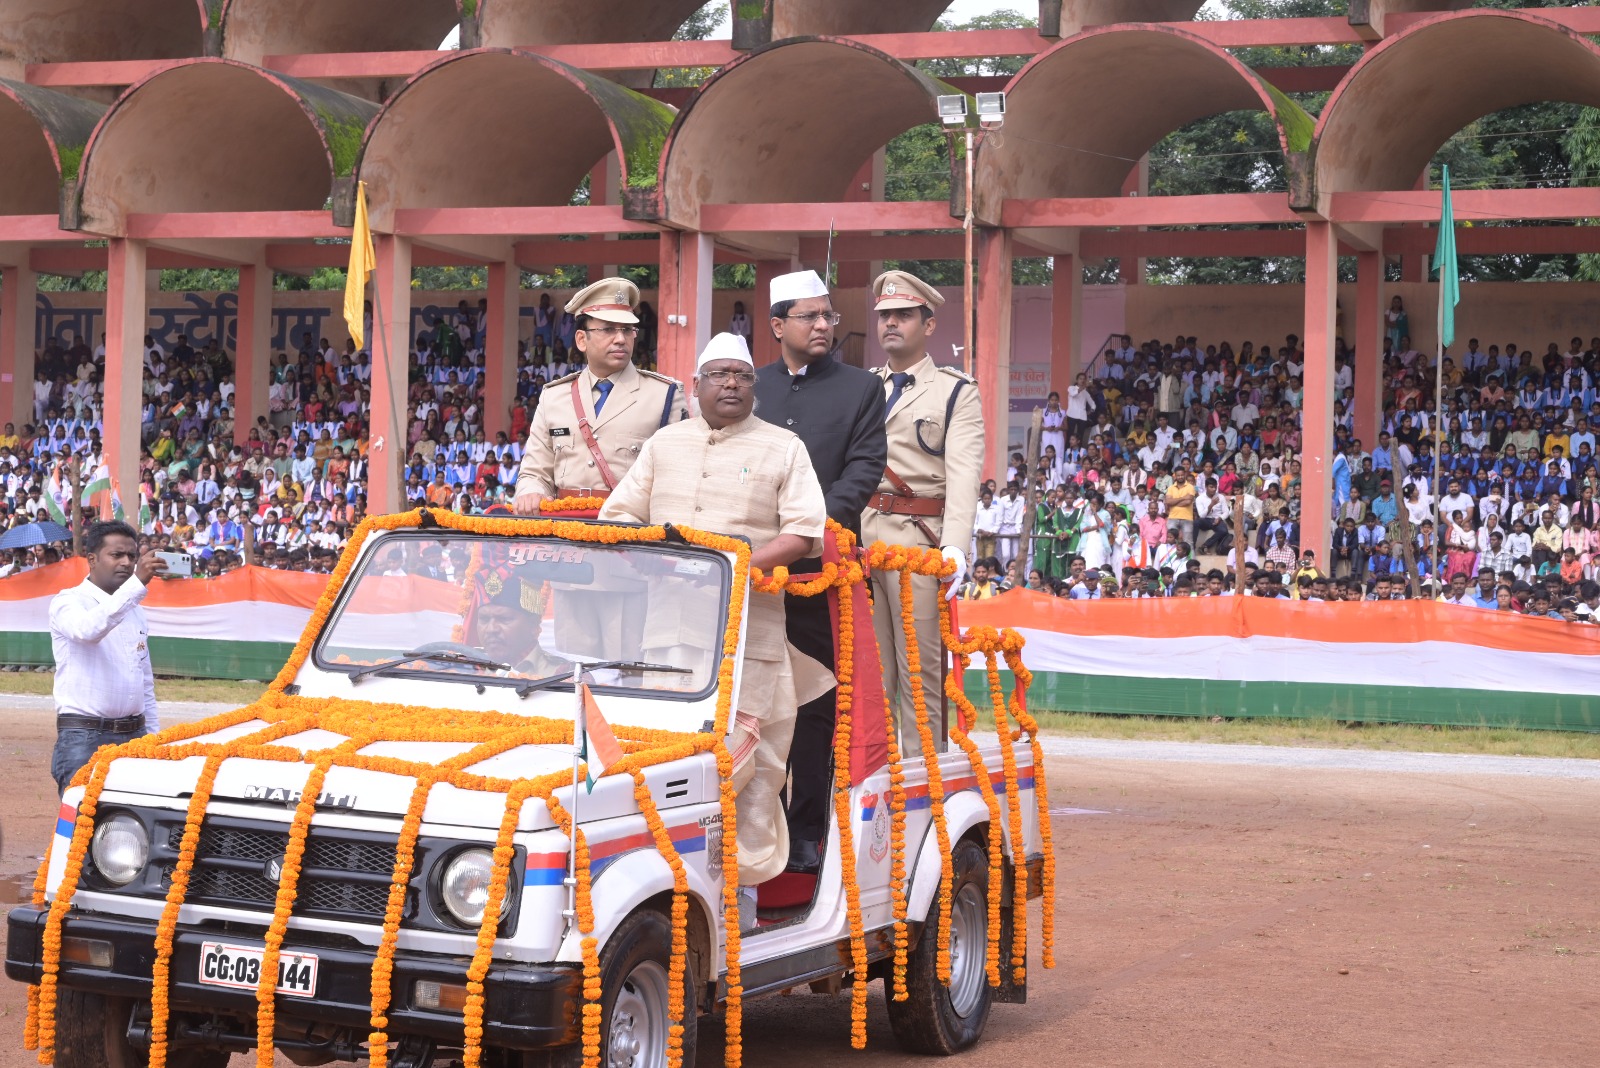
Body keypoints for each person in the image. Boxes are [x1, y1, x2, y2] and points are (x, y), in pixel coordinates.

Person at [599, 332, 827, 927]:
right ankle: (670, 894)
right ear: (696, 384)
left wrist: (736, 568)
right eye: (719, 374)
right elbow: (618, 516)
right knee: (665, 764)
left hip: (751, 633)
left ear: (756, 384)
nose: (732, 384)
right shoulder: (664, 444)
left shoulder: (784, 448)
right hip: (663, 635)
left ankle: (743, 907)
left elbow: (805, 532)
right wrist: (653, 554)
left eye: (743, 375)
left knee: (751, 764)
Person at [753, 268, 887, 875]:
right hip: (751, 579)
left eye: (829, 315)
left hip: (817, 574)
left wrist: (806, 533)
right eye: (809, 316)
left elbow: (863, 469)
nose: (824, 325)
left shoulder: (861, 388)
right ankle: (753, 826)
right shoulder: (749, 387)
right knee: (750, 700)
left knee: (813, 704)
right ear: (777, 325)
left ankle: (807, 831)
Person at [861, 269, 984, 760]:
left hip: (916, 540)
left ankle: (921, 776)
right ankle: (874, 773)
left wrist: (954, 544)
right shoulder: (863, 386)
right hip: (861, 539)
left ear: (928, 325)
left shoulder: (955, 391)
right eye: (885, 316)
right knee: (868, 669)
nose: (891, 323)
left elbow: (964, 473)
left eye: (903, 315)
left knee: (918, 670)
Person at [513, 277, 688, 516]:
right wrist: (531, 491)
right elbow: (535, 472)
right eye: (608, 329)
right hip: (564, 531)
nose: (620, 339)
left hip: (630, 534)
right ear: (582, 340)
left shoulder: (665, 396)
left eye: (627, 330)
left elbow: (678, 479)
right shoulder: (554, 396)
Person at [49, 520, 167, 795]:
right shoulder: (68, 602)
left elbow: (144, 681)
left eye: (132, 556)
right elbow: (87, 631)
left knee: (130, 829)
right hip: (84, 738)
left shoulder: (135, 610)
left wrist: (153, 737)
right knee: (81, 829)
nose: (127, 563)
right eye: (117, 555)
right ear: (92, 559)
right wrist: (137, 584)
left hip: (135, 736)